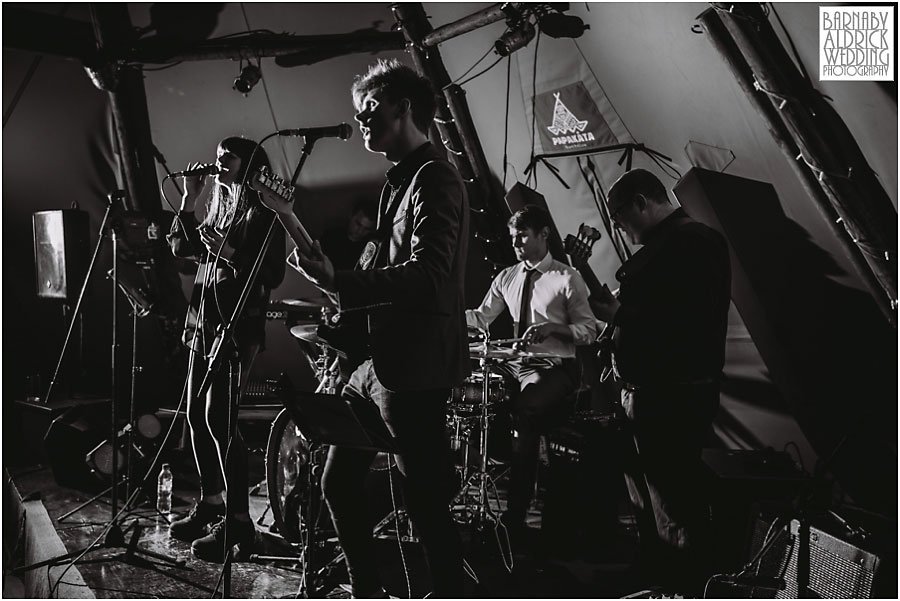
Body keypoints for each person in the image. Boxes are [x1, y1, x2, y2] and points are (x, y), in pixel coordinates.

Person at [260, 59, 468, 598]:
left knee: (423, 504)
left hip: (414, 371)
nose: (361, 120)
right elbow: (382, 279)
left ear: (403, 107)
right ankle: (366, 590)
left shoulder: (436, 179)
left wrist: (347, 283)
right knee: (336, 483)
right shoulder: (396, 183)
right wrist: (332, 280)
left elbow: (430, 273)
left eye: (369, 110)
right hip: (377, 366)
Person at [589, 168, 731, 595]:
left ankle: (685, 587)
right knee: (647, 500)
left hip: (673, 396)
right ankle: (657, 577)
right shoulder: (664, 247)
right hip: (648, 395)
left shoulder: (694, 242)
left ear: (641, 202)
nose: (616, 225)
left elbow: (688, 324)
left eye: (618, 215)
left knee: (674, 504)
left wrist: (620, 318)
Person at [166, 137, 286, 562]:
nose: (218, 163)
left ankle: (239, 522)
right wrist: (189, 199)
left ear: (248, 164)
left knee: (220, 419)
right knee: (196, 415)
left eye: (226, 158)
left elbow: (272, 273)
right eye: (217, 156)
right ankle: (211, 503)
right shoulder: (217, 205)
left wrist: (230, 252)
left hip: (237, 327)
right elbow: (180, 249)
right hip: (202, 322)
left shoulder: (265, 212)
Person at [466, 204, 598, 535]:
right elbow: (481, 318)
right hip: (514, 365)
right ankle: (469, 492)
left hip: (554, 367)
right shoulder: (507, 277)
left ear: (544, 235)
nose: (516, 244)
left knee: (526, 412)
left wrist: (554, 330)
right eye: (513, 237)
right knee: (468, 396)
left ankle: (516, 513)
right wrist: (446, 317)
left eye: (522, 236)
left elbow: (589, 331)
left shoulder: (567, 277)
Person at [319, 197, 377, 270]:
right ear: (351, 216)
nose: (360, 231)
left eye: (367, 229)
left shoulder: (369, 248)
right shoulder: (330, 236)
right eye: (358, 224)